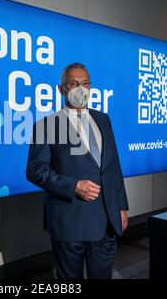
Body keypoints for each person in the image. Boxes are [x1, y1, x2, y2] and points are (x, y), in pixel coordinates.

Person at [26, 63, 129, 279]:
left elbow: (112, 166)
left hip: (106, 221)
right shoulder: (46, 125)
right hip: (69, 221)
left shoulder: (103, 119)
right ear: (61, 89)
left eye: (84, 83)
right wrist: (74, 186)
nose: (80, 89)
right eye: (73, 83)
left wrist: (121, 206)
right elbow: (35, 170)